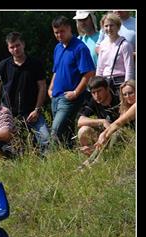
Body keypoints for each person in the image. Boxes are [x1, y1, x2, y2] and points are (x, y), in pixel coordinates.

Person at [48, 15, 96, 148]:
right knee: (66, 133)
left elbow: (89, 73)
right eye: (56, 32)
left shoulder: (80, 48)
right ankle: (68, 158)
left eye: (62, 31)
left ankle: (50, 161)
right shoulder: (58, 47)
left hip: (69, 98)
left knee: (55, 131)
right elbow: (56, 70)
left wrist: (76, 93)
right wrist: (50, 88)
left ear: (70, 29)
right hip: (55, 96)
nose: (59, 35)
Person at [0, 32, 50, 153]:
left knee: (46, 139)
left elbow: (42, 87)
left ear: (23, 44)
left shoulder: (35, 63)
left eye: (18, 45)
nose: (15, 49)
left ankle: (48, 165)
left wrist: (37, 109)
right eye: (12, 47)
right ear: (8, 48)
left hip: (32, 112)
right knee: (12, 144)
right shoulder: (4, 65)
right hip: (10, 113)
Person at [83, 79, 135, 167]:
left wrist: (104, 134)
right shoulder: (126, 107)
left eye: (131, 93)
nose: (128, 97)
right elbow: (116, 124)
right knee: (113, 133)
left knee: (118, 134)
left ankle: (97, 161)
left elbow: (118, 123)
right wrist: (103, 135)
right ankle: (91, 161)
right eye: (124, 94)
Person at [76, 76, 121, 156]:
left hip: (121, 134)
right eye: (93, 93)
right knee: (83, 130)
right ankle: (93, 153)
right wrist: (102, 121)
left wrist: (105, 133)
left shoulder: (118, 97)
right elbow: (80, 121)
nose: (96, 95)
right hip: (105, 134)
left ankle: (98, 153)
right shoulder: (93, 101)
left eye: (99, 91)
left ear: (107, 89)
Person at [96, 13, 135, 91]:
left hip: (120, 83)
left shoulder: (125, 45)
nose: (109, 28)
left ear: (118, 27)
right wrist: (97, 84)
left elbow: (129, 68)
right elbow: (100, 68)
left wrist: (126, 87)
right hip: (105, 84)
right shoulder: (103, 44)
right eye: (106, 26)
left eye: (111, 25)